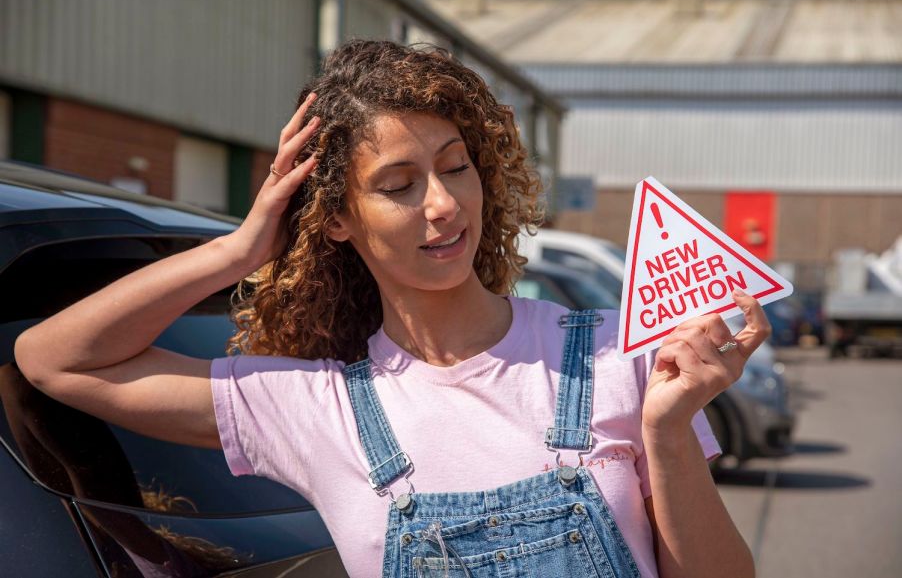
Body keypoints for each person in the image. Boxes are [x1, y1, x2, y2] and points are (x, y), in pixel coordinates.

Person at [15, 40, 760, 578]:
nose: (442, 204)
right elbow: (52, 359)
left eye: (455, 167)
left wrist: (664, 434)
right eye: (399, 184)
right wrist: (241, 249)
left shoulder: (616, 356)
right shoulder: (317, 407)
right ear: (338, 216)